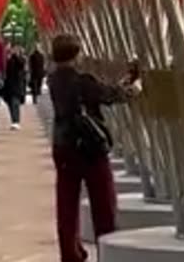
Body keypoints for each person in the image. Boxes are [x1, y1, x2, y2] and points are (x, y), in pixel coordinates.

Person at [48, 33, 138, 262]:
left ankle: (70, 253)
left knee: (67, 203)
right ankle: (107, 247)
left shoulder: (54, 80)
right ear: (76, 55)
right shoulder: (82, 81)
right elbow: (111, 95)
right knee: (103, 202)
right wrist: (133, 86)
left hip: (63, 146)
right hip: (89, 148)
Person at [1, 46, 27, 130]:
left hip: (17, 85)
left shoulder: (21, 60)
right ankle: (14, 120)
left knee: (15, 103)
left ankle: (16, 121)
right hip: (8, 85)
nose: (13, 52)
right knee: (10, 103)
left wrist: (15, 56)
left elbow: (21, 65)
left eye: (16, 51)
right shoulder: (8, 60)